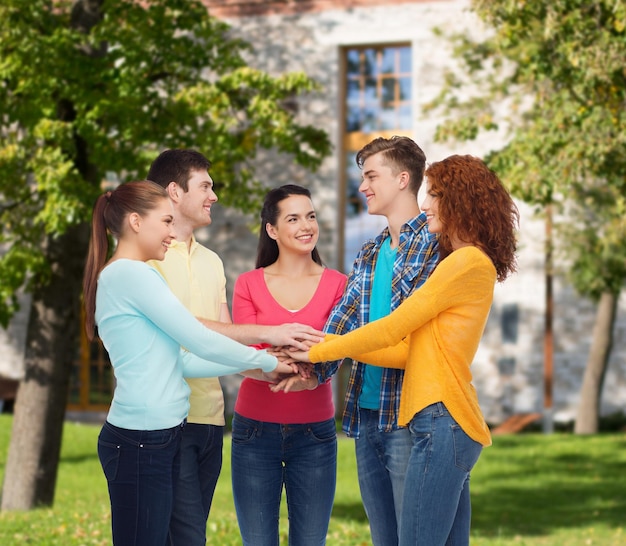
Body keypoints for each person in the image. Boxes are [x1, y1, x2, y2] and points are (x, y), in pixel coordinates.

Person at [285, 155, 520, 545]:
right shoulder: (460, 262)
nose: (426, 204)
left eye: (436, 195)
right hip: (438, 421)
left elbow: (394, 326)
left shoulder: (464, 262)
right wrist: (325, 345)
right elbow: (401, 350)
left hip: (442, 420)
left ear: (460, 201)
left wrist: (317, 353)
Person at [82, 180, 299, 546]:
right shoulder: (130, 275)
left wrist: (260, 367)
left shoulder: (134, 275)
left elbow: (180, 360)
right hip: (140, 441)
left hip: (155, 438)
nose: (171, 232)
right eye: (165, 222)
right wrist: (265, 356)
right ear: (136, 222)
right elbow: (196, 338)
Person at [145, 150, 324, 546]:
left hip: (210, 421)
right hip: (164, 419)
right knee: (183, 536)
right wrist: (271, 341)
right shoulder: (148, 257)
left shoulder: (211, 261)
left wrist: (275, 369)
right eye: (205, 186)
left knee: (191, 533)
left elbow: (226, 336)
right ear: (175, 192)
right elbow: (177, 331)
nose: (214, 196)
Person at [275, 136, 439, 545]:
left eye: (370, 176)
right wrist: (311, 368)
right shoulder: (369, 252)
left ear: (403, 179)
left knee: (414, 538)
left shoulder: (434, 247)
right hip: (365, 418)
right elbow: (342, 322)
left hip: (409, 416)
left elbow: (410, 336)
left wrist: (320, 353)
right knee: (385, 538)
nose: (362, 186)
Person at [230, 184, 347, 546]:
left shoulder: (339, 284)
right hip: (253, 433)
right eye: (293, 218)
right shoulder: (248, 283)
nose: (306, 225)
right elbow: (238, 351)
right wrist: (276, 362)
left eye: (310, 216)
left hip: (315, 434)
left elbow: (338, 350)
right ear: (272, 230)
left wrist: (298, 366)